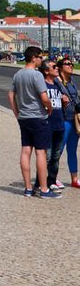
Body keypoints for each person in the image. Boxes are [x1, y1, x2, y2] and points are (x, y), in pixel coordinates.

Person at [8, 45, 58, 199]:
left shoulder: (18, 74)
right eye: (40, 57)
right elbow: (44, 97)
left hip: (24, 117)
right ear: (33, 57)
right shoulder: (36, 76)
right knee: (41, 152)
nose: (41, 60)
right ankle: (43, 189)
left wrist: (17, 113)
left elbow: (11, 95)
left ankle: (28, 188)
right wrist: (49, 107)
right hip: (37, 116)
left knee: (25, 150)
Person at [33, 60, 65, 194]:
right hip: (47, 124)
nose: (57, 69)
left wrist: (64, 101)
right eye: (54, 67)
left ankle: (52, 180)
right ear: (46, 71)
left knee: (56, 156)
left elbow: (61, 105)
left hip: (59, 124)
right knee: (47, 156)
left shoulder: (57, 84)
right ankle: (40, 183)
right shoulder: (43, 85)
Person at [55, 57, 80, 189]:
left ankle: (74, 179)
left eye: (71, 63)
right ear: (60, 67)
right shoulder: (56, 81)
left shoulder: (72, 81)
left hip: (74, 119)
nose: (71, 65)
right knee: (58, 150)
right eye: (67, 64)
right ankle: (53, 177)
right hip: (63, 120)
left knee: (72, 150)